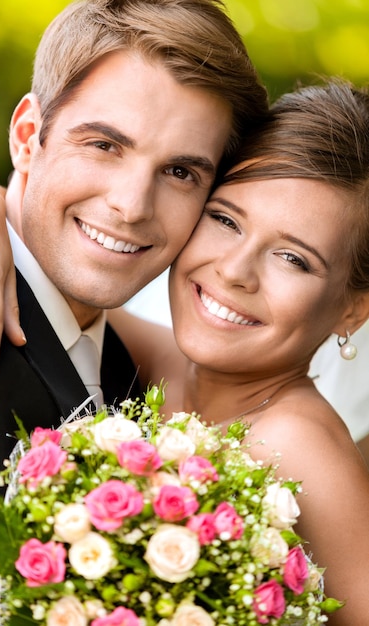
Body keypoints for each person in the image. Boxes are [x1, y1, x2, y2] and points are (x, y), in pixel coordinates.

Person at [0, 1, 269, 624]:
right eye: (104, 144)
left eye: (179, 171)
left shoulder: (121, 365)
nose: (130, 205)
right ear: (27, 136)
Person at [107, 78, 369, 625]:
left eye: (294, 259)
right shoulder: (165, 366)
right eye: (225, 219)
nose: (233, 270)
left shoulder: (298, 449)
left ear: (353, 309)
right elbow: (57, 296)